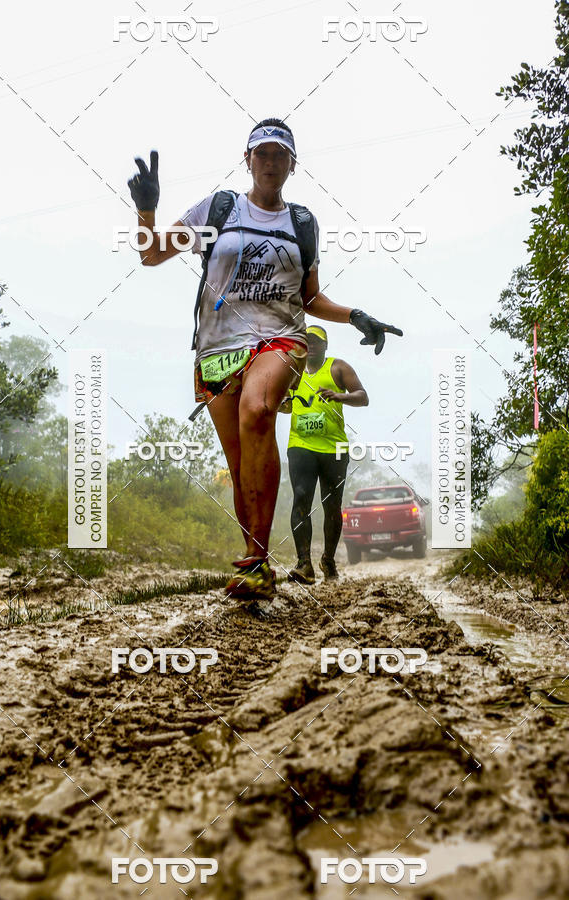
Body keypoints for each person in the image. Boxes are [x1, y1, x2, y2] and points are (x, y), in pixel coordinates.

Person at [127, 118, 402, 602]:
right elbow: (151, 255)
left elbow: (310, 299)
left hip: (281, 340)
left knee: (258, 410)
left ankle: (256, 560)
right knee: (240, 465)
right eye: (263, 154)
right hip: (215, 351)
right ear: (247, 160)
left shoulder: (302, 223)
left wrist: (356, 315)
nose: (271, 162)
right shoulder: (219, 208)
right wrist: (147, 209)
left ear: (293, 165)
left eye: (280, 155)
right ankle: (256, 565)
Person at [281, 325, 368, 584]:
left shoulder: (338, 367)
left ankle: (328, 559)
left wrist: (339, 396)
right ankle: (304, 564)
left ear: (326, 345)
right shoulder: (292, 371)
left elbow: (363, 397)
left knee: (332, 506)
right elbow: (283, 404)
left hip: (334, 448)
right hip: (300, 445)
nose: (312, 346)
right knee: (301, 498)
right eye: (308, 342)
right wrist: (282, 404)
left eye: (317, 342)